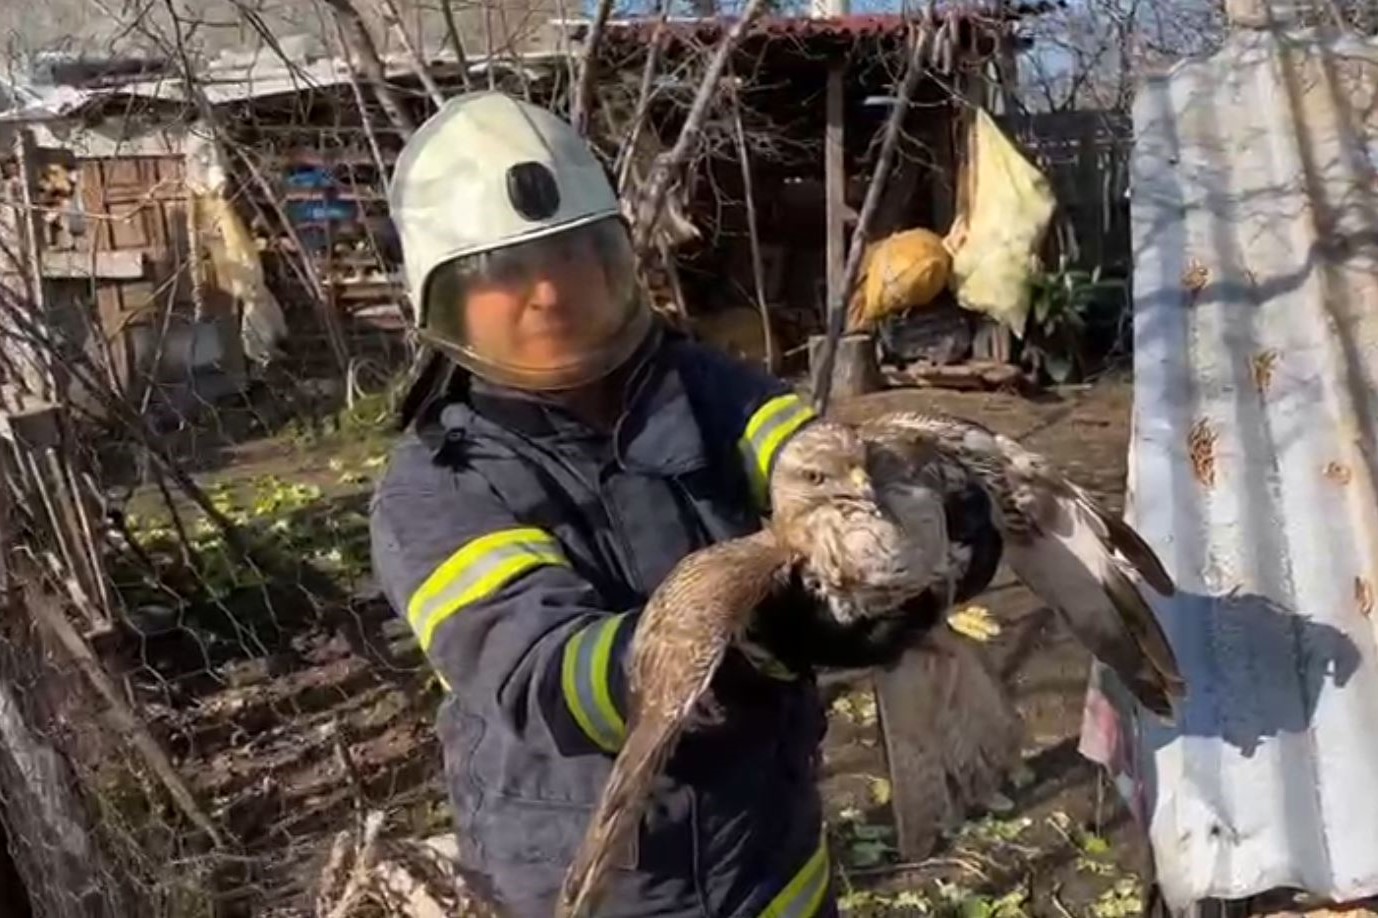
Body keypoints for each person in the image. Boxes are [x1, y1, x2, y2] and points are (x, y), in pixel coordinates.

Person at [369, 90, 1003, 917]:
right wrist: (760, 641)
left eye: (574, 258)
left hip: (768, 857)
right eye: (509, 274)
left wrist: (925, 516)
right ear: (445, 304)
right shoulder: (434, 486)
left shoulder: (704, 386)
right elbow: (545, 676)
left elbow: (810, 459)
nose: (551, 294)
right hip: (597, 879)